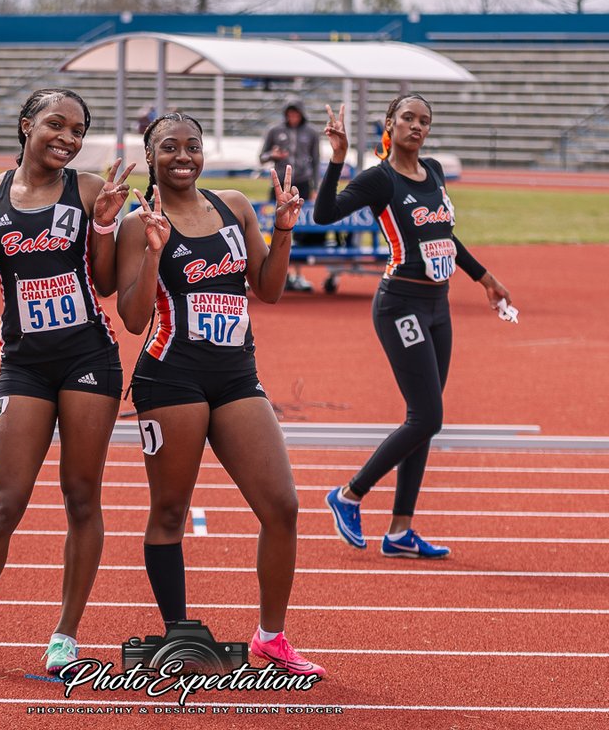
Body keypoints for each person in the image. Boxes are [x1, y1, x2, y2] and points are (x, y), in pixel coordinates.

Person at [116, 112, 325, 677]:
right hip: (170, 376)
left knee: (281, 506)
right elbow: (132, 320)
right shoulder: (141, 223)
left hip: (236, 376)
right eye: (169, 148)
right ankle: (179, 639)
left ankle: (270, 638)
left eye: (192, 146)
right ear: (150, 154)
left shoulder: (233, 205)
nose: (182, 157)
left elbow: (270, 288)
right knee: (170, 512)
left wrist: (283, 228)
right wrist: (156, 249)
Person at [0, 88, 132, 678]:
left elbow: (105, 286)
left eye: (78, 130)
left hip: (88, 358)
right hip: (23, 362)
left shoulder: (92, 190)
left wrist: (103, 227)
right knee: (5, 502)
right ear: (26, 126)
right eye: (55, 124)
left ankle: (65, 635)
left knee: (81, 496)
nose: (67, 138)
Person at [317, 97, 513, 559]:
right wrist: (338, 159)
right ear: (390, 124)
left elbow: (444, 235)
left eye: (425, 120)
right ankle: (348, 495)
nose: (417, 126)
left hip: (437, 307)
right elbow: (324, 215)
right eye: (408, 118)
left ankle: (401, 530)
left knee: (423, 420)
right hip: (399, 305)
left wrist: (484, 278)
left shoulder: (435, 171)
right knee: (428, 416)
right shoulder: (379, 178)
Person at [259, 101, 322, 292]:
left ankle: (297, 273)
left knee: (298, 229)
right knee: (275, 226)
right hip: (278, 184)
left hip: (301, 182)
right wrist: (274, 154)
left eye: (296, 114)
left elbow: (316, 160)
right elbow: (261, 157)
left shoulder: (310, 133)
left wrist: (315, 187)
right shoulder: (275, 131)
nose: (293, 118)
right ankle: (278, 273)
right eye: (290, 114)